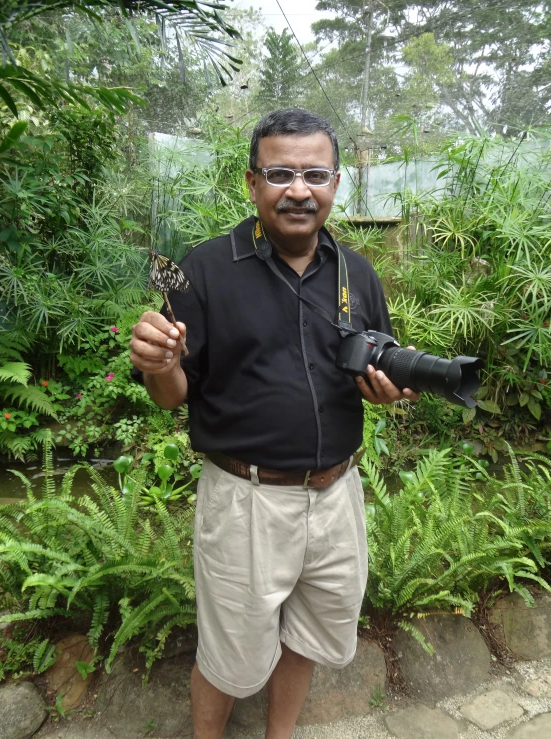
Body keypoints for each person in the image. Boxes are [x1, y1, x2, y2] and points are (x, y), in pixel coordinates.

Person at [130, 108, 420, 739]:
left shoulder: (357, 273)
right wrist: (160, 362)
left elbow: (374, 373)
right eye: (280, 172)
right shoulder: (203, 270)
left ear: (336, 184)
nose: (298, 189)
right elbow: (170, 397)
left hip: (338, 496)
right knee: (229, 657)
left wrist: (386, 391)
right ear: (252, 182)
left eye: (315, 173)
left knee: (310, 636)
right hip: (247, 501)